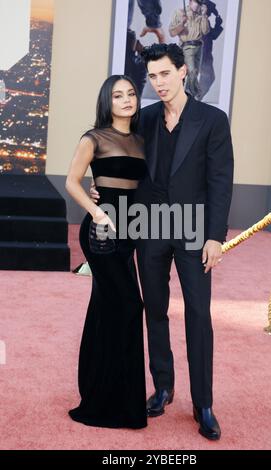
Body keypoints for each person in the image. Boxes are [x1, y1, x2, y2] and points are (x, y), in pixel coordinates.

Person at [91, 43, 234, 440]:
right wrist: (100, 187)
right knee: (153, 309)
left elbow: (221, 183)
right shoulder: (146, 118)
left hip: (192, 231)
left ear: (183, 72)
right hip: (149, 229)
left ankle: (203, 403)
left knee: (198, 314)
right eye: (152, 77)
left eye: (165, 74)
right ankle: (163, 387)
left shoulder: (212, 120)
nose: (159, 83)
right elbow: (118, 157)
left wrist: (215, 237)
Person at [66, 75, 147, 429]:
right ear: (107, 101)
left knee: (105, 305)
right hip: (101, 231)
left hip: (130, 230)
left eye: (131, 93)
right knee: (130, 304)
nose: (126, 99)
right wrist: (97, 210)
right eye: (118, 95)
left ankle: (105, 393)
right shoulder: (94, 138)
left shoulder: (143, 140)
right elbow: (72, 181)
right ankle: (109, 401)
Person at [169, 0, 210, 99]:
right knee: (191, 71)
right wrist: (182, 24)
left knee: (194, 73)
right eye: (197, 2)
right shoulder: (180, 13)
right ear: (191, 1)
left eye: (200, 3)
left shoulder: (201, 15)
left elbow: (205, 31)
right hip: (187, 47)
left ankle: (187, 96)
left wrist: (204, 16)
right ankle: (195, 93)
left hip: (199, 48)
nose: (199, 5)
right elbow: (172, 32)